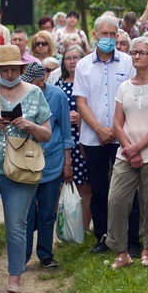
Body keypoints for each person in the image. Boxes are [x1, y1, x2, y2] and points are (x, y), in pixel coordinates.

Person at [0, 45, 52, 293]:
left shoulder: (35, 94)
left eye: (13, 69)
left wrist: (28, 125)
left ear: (22, 69)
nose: (8, 74)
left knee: (17, 224)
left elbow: (47, 134)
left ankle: (15, 277)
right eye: (4, 69)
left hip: (20, 168)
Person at [74, 16, 140, 255]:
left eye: (113, 34)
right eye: (105, 34)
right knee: (99, 191)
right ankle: (103, 238)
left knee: (128, 189)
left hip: (123, 137)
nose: (109, 39)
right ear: (94, 35)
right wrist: (100, 130)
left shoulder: (128, 63)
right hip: (93, 138)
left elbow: (133, 98)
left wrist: (114, 130)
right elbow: (81, 103)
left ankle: (132, 241)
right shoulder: (83, 65)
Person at [105, 37, 148, 269]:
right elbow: (117, 122)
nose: (136, 56)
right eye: (134, 52)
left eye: (142, 53)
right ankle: (121, 252)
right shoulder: (124, 86)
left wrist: (138, 147)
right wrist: (129, 149)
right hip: (127, 153)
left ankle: (147, 250)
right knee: (116, 200)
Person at [22, 63, 74, 269]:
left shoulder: (58, 96)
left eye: (37, 83)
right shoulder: (22, 95)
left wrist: (67, 162)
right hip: (25, 160)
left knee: (47, 212)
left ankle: (45, 254)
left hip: (52, 160)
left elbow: (66, 132)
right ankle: (22, 256)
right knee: (25, 213)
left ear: (43, 81)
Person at [56, 46, 92, 231]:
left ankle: (84, 229)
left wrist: (81, 117)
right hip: (61, 140)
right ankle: (64, 228)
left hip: (83, 139)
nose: (71, 61)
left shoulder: (88, 82)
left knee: (84, 185)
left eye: (75, 57)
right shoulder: (58, 84)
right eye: (68, 58)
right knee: (62, 184)